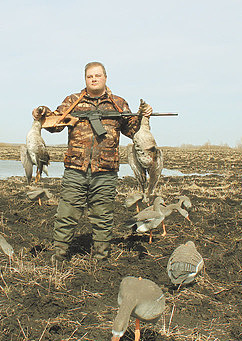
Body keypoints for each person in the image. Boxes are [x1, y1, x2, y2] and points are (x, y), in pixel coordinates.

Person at [32, 62, 153, 262]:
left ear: (105, 77)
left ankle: (101, 258)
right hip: (75, 168)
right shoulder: (73, 101)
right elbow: (54, 124)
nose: (94, 79)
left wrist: (144, 116)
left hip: (106, 170)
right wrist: (41, 113)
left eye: (97, 75)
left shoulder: (118, 103)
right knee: (66, 214)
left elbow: (133, 131)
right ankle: (59, 254)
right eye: (90, 76)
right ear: (85, 79)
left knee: (103, 216)